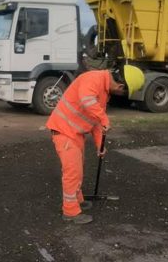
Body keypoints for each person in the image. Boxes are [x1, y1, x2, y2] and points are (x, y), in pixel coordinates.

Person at [46, 67, 144, 224]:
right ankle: (70, 211)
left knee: (78, 168)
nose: (120, 93)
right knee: (73, 171)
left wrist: (100, 145)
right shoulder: (94, 79)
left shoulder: (104, 91)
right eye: (122, 91)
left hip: (74, 133)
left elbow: (96, 122)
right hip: (64, 131)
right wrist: (104, 117)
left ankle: (77, 200)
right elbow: (87, 101)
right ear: (120, 85)